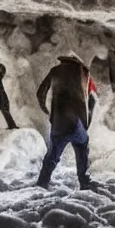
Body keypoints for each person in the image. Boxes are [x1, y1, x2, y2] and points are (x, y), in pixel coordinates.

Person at [35, 53, 95, 190]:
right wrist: (86, 120)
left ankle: (42, 183)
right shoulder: (81, 71)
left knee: (52, 154)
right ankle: (84, 182)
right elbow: (90, 100)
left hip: (58, 121)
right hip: (75, 122)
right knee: (82, 145)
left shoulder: (55, 71)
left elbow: (40, 93)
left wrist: (46, 110)